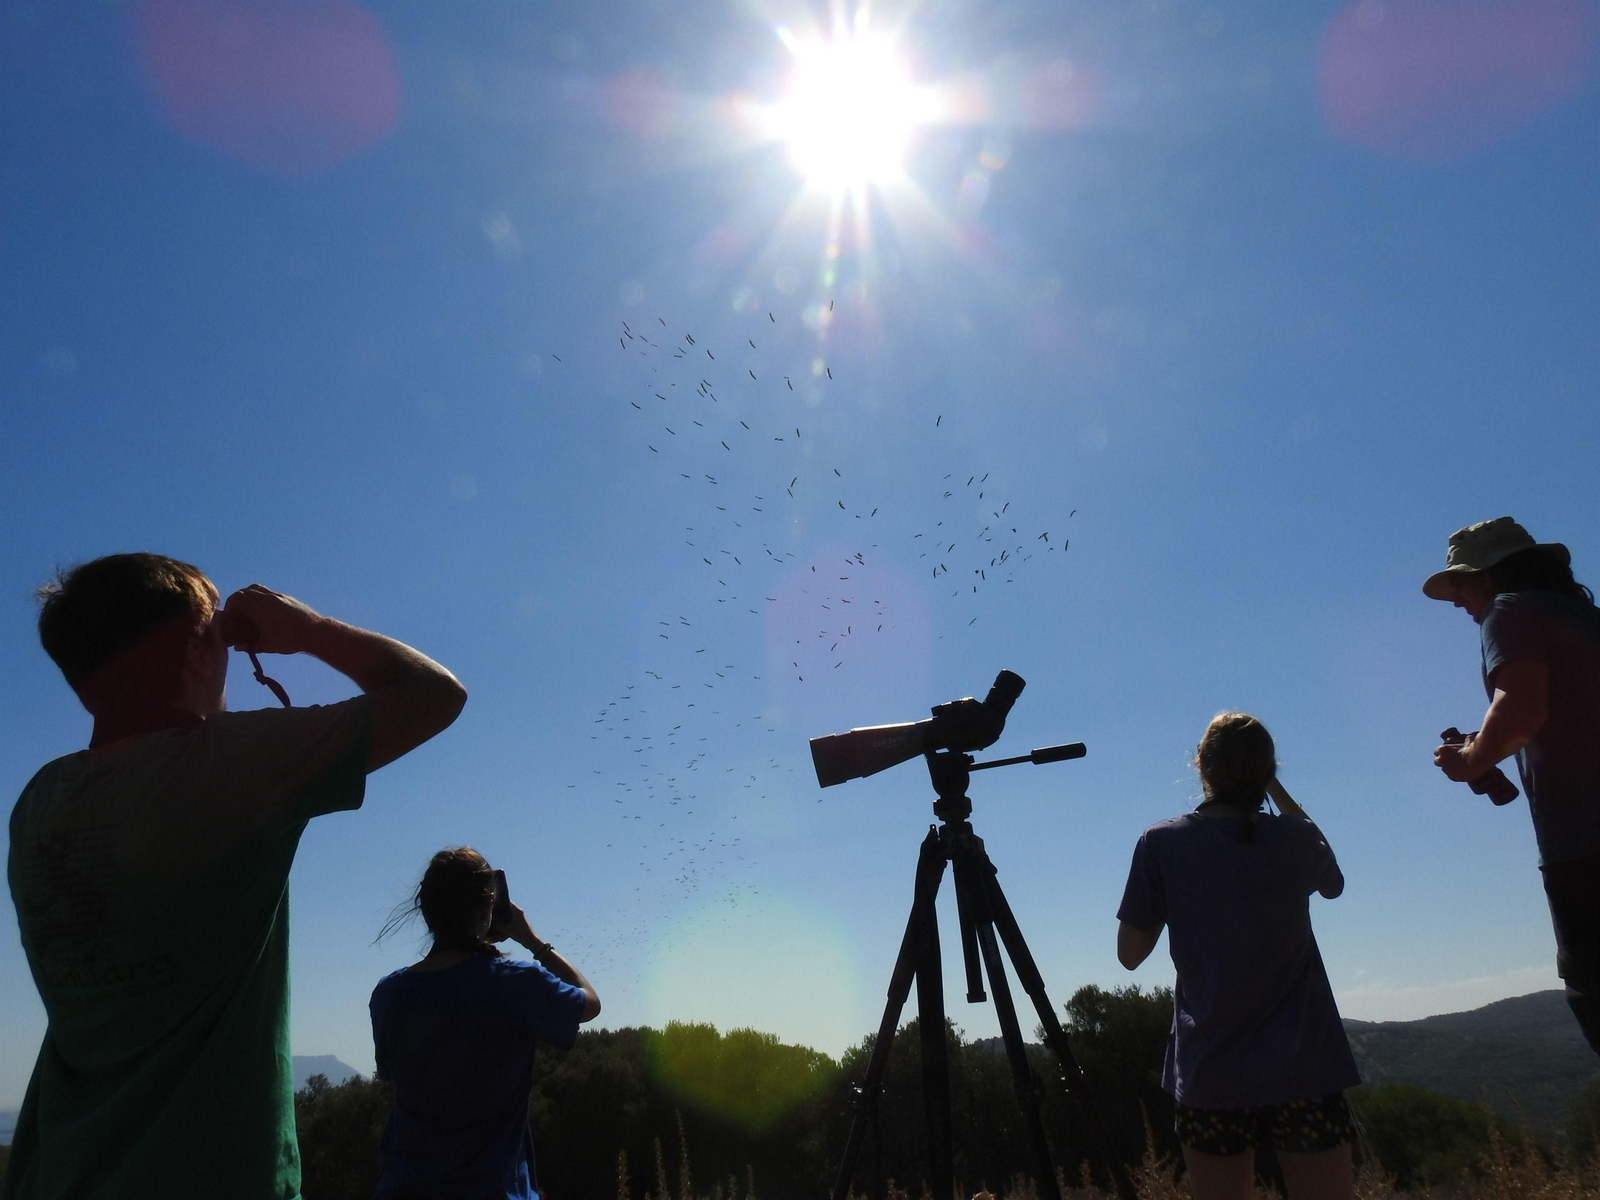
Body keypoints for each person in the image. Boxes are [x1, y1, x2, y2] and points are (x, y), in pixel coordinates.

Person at [6, 554, 467, 1200]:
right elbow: (436, 694)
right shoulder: (235, 767)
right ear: (197, 642)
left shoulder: (38, 804)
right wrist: (307, 629)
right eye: (215, 621)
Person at [1116, 713, 1359, 1200]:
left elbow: (1129, 955)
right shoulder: (1294, 837)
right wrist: (1275, 788)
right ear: (1268, 769)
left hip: (1212, 1072)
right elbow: (1333, 885)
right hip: (1304, 1069)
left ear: (1201, 765)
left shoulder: (1160, 843)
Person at [1425, 516, 1600, 1055]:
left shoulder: (1509, 609)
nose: (1457, 598)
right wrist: (1489, 740)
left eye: (1461, 582)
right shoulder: (1583, 617)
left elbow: (1522, 707)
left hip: (1584, 850)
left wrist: (1472, 761)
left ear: (1491, 573)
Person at [369, 847, 600, 1200]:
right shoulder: (514, 983)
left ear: (426, 909)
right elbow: (589, 1002)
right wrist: (532, 940)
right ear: (489, 903)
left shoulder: (388, 996)